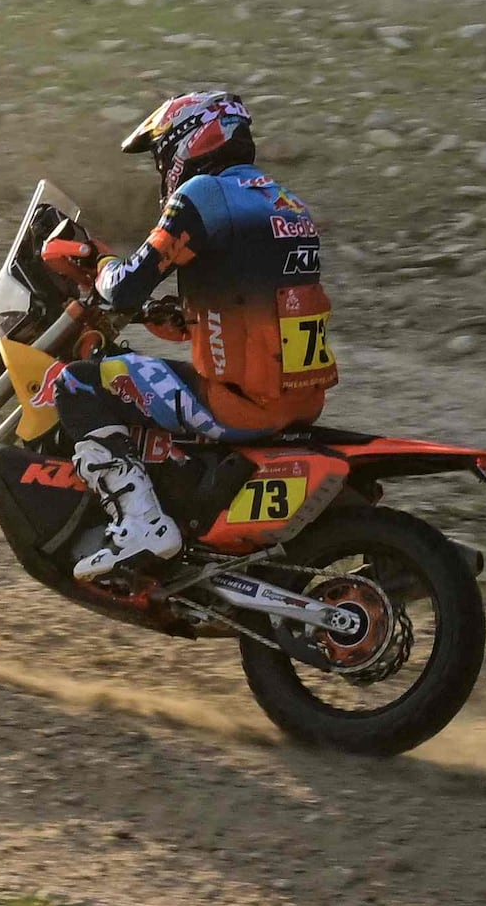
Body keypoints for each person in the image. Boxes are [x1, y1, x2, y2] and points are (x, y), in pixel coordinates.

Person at [24, 87, 334, 583]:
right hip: (300, 397)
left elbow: (122, 287)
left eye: (163, 152)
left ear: (192, 139)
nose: (162, 168)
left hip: (240, 402)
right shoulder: (282, 201)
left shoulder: (203, 195)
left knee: (78, 383)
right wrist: (172, 316)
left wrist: (95, 259)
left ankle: (142, 525)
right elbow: (255, 303)